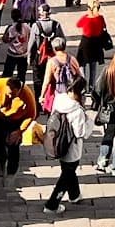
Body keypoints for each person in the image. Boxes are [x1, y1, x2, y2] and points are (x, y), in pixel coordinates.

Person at [43, 76, 91, 212]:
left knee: (68, 171)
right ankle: (52, 205)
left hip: (57, 143)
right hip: (72, 148)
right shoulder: (77, 111)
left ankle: (74, 195)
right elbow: (81, 133)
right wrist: (89, 123)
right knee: (67, 175)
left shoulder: (59, 99)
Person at [0, 73, 37, 177]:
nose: (9, 96)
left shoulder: (27, 94)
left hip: (16, 120)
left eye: (13, 94)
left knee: (13, 144)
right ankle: (2, 161)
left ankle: (11, 171)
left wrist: (20, 131)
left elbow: (31, 115)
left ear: (18, 89)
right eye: (8, 94)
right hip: (0, 117)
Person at [75, 0, 110, 92]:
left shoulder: (86, 18)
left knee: (81, 64)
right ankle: (91, 86)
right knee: (93, 66)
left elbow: (78, 25)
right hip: (96, 43)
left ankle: (83, 84)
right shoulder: (100, 18)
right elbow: (104, 26)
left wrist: (87, 15)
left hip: (86, 43)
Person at [40, 35, 80, 114]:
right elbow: (79, 76)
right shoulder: (72, 59)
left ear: (54, 48)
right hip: (71, 93)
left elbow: (46, 81)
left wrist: (42, 96)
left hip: (57, 94)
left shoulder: (52, 62)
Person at [1, 19, 31, 85]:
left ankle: (5, 87)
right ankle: (21, 90)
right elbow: (31, 37)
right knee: (22, 75)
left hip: (12, 54)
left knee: (7, 74)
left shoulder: (10, 27)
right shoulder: (26, 27)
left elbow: (5, 40)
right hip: (23, 54)